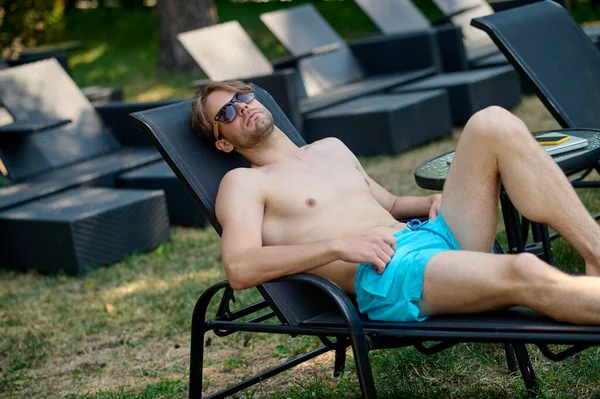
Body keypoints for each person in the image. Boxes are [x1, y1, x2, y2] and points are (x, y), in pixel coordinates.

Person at [190, 80, 600, 325]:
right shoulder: (242, 183)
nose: (242, 106)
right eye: (226, 110)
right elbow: (241, 268)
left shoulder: (329, 147)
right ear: (223, 141)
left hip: (429, 235)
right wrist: (337, 247)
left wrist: (427, 203)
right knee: (523, 268)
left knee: (492, 121)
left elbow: (388, 202)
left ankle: (595, 253)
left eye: (243, 95)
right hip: (390, 272)